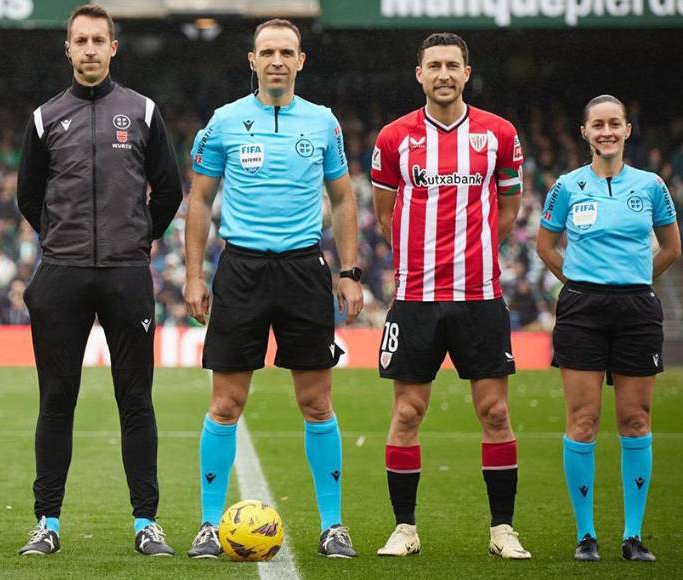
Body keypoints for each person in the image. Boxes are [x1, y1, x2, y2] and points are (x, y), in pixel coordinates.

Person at [184, 18, 363, 559]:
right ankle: (210, 526)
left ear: (301, 60)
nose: (278, 61)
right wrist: (194, 274)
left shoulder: (324, 122)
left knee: (316, 402)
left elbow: (343, 199)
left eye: (288, 52)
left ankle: (333, 525)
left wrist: (350, 272)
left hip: (305, 269)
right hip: (240, 270)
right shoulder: (224, 121)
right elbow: (198, 201)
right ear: (252, 60)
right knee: (226, 402)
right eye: (268, 52)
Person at [16, 3, 182, 557]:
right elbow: (28, 197)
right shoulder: (44, 118)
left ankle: (145, 523)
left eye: (98, 40)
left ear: (114, 48)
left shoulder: (142, 111)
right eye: (79, 40)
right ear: (67, 49)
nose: (89, 49)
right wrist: (62, 242)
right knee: (56, 399)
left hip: (125, 273)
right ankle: (47, 522)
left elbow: (169, 189)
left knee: (135, 398)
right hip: (61, 275)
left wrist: (136, 240)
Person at [370, 33, 531, 559]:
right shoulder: (395, 138)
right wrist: (420, 258)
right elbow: (384, 212)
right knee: (409, 412)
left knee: (495, 412)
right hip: (416, 297)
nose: (443, 73)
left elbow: (508, 208)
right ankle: (405, 528)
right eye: (433, 65)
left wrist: (475, 249)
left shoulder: (499, 134)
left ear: (466, 73)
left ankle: (502, 529)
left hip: (480, 297)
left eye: (452, 66)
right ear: (419, 74)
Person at [536, 94, 681, 563]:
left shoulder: (653, 186)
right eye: (597, 124)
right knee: (583, 423)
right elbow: (545, 246)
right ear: (584, 132)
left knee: (635, 421)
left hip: (637, 308)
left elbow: (670, 247)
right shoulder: (567, 186)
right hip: (582, 310)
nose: (607, 132)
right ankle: (586, 535)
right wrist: (580, 284)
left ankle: (633, 535)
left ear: (627, 130)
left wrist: (634, 279)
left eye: (614, 123)